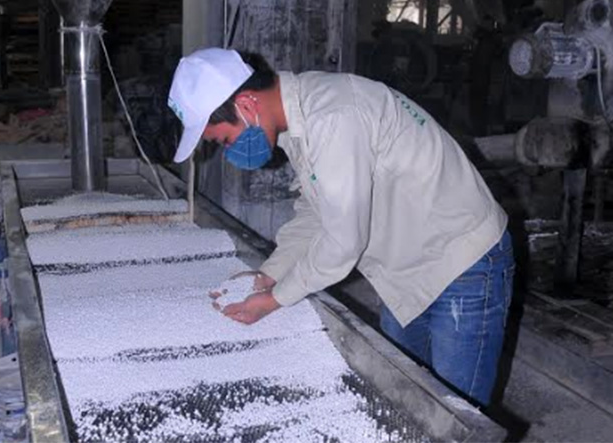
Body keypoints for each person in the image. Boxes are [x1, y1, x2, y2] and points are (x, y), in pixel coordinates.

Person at [167, 48, 515, 406]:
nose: (231, 151)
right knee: (407, 397)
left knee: (455, 413)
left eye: (225, 139)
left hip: (463, 264)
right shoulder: (297, 122)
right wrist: (270, 274)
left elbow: (344, 242)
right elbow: (315, 213)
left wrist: (274, 300)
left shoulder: (333, 116)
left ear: (247, 104)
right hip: (406, 266)